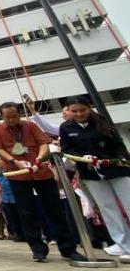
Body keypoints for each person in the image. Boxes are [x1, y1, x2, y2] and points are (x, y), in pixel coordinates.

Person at [0, 102, 85, 263]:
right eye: (7, 117)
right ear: (2, 116)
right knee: (26, 213)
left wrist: (40, 157)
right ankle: (38, 248)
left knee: (55, 210)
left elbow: (43, 143)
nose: (11, 120)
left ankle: (68, 248)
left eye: (14, 116)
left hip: (41, 172)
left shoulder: (30, 126)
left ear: (20, 114)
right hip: (18, 174)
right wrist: (14, 161)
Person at [60, 96, 130, 263]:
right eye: (74, 111)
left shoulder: (101, 121)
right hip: (90, 173)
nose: (79, 114)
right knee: (107, 208)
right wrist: (82, 159)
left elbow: (118, 144)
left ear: (89, 108)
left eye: (82, 110)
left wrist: (119, 158)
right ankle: (124, 244)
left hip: (116, 169)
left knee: (128, 202)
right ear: (69, 111)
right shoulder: (66, 127)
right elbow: (67, 149)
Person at [0, 157, 24, 242]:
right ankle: (16, 234)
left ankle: (24, 233)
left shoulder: (11, 169)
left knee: (20, 215)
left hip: (15, 196)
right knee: (10, 217)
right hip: (5, 197)